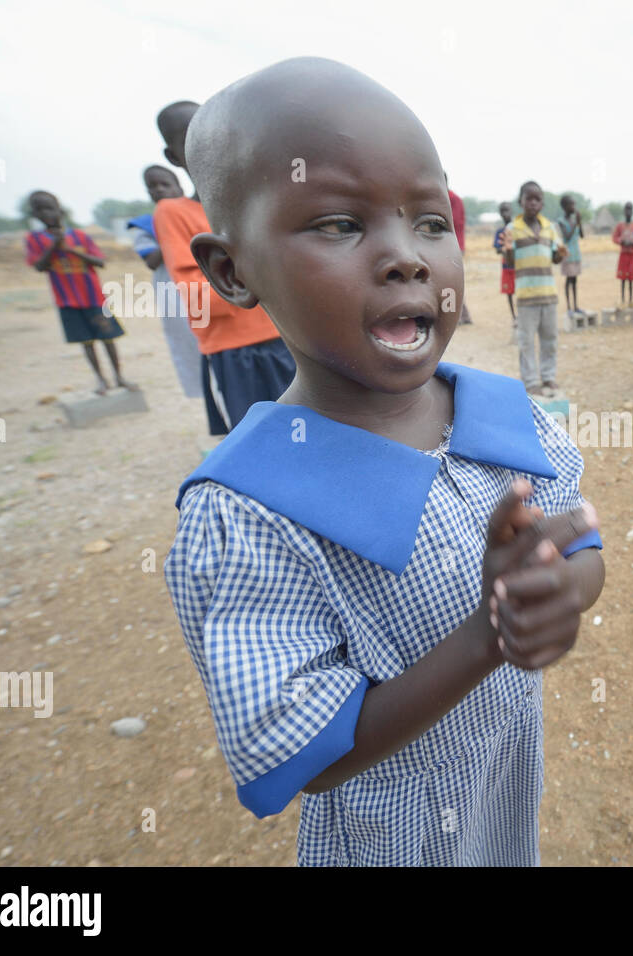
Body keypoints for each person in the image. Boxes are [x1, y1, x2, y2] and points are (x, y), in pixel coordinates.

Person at [162, 57, 605, 868]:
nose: (408, 258)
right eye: (337, 223)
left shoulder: (505, 419)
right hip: (388, 840)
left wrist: (553, 593)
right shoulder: (253, 509)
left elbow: (581, 559)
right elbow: (310, 757)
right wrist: (488, 638)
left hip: (501, 797)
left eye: (430, 221)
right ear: (232, 271)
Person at [154, 99, 296, 435]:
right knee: (255, 442)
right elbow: (197, 297)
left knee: (312, 432)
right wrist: (268, 280)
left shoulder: (257, 202)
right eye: (190, 136)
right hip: (236, 353)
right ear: (174, 156)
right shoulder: (174, 213)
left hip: (287, 339)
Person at [24, 190, 134, 394]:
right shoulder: (34, 239)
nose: (46, 213)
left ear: (60, 210)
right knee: (86, 342)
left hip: (93, 297)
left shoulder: (79, 236)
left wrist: (70, 249)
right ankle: (101, 380)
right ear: (35, 214)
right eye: (40, 210)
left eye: (49, 208)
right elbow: (39, 266)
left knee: (108, 338)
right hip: (67, 300)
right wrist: (54, 246)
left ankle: (119, 377)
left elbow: (100, 262)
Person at [127, 165, 202, 398]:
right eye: (152, 186)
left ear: (179, 188)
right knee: (186, 339)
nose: (159, 190)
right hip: (170, 288)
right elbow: (150, 260)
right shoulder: (145, 225)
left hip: (201, 283)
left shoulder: (198, 214)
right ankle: (203, 390)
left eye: (165, 184)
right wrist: (171, 233)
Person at [507, 181, 569, 396]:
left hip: (548, 294)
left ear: (542, 203)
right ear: (520, 201)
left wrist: (560, 254)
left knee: (550, 339)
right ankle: (531, 380)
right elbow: (509, 260)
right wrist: (505, 250)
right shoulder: (512, 229)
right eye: (529, 198)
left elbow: (555, 257)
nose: (533, 203)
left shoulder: (550, 227)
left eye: (537, 199)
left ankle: (549, 376)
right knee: (526, 342)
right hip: (526, 296)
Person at [446, 173, 472, 325]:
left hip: (454, 247)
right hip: (448, 247)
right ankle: (461, 316)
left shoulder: (453, 200)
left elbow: (452, 222)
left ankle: (458, 317)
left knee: (452, 282)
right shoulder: (446, 199)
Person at [557, 193, 584, 316]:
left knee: (575, 281)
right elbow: (567, 238)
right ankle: (569, 308)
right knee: (568, 281)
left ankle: (576, 306)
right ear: (565, 207)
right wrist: (575, 224)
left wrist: (580, 223)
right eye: (571, 204)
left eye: (574, 204)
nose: (574, 207)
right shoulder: (561, 221)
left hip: (576, 254)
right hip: (567, 255)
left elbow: (582, 235)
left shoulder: (575, 221)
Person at [493, 201, 517, 333]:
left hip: (518, 267)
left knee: (520, 291)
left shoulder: (517, 229)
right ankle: (514, 317)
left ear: (511, 211)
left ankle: (521, 315)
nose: (505, 214)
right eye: (502, 211)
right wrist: (505, 249)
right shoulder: (500, 231)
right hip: (506, 267)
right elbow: (497, 248)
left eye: (507, 210)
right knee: (509, 292)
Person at [612, 201, 633, 305]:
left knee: (631, 279)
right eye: (627, 209)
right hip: (623, 255)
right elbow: (614, 238)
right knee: (623, 279)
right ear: (624, 211)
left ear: (632, 211)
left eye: (630, 209)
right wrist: (622, 241)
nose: (628, 211)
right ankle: (623, 300)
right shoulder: (620, 226)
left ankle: (630, 300)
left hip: (632, 255)